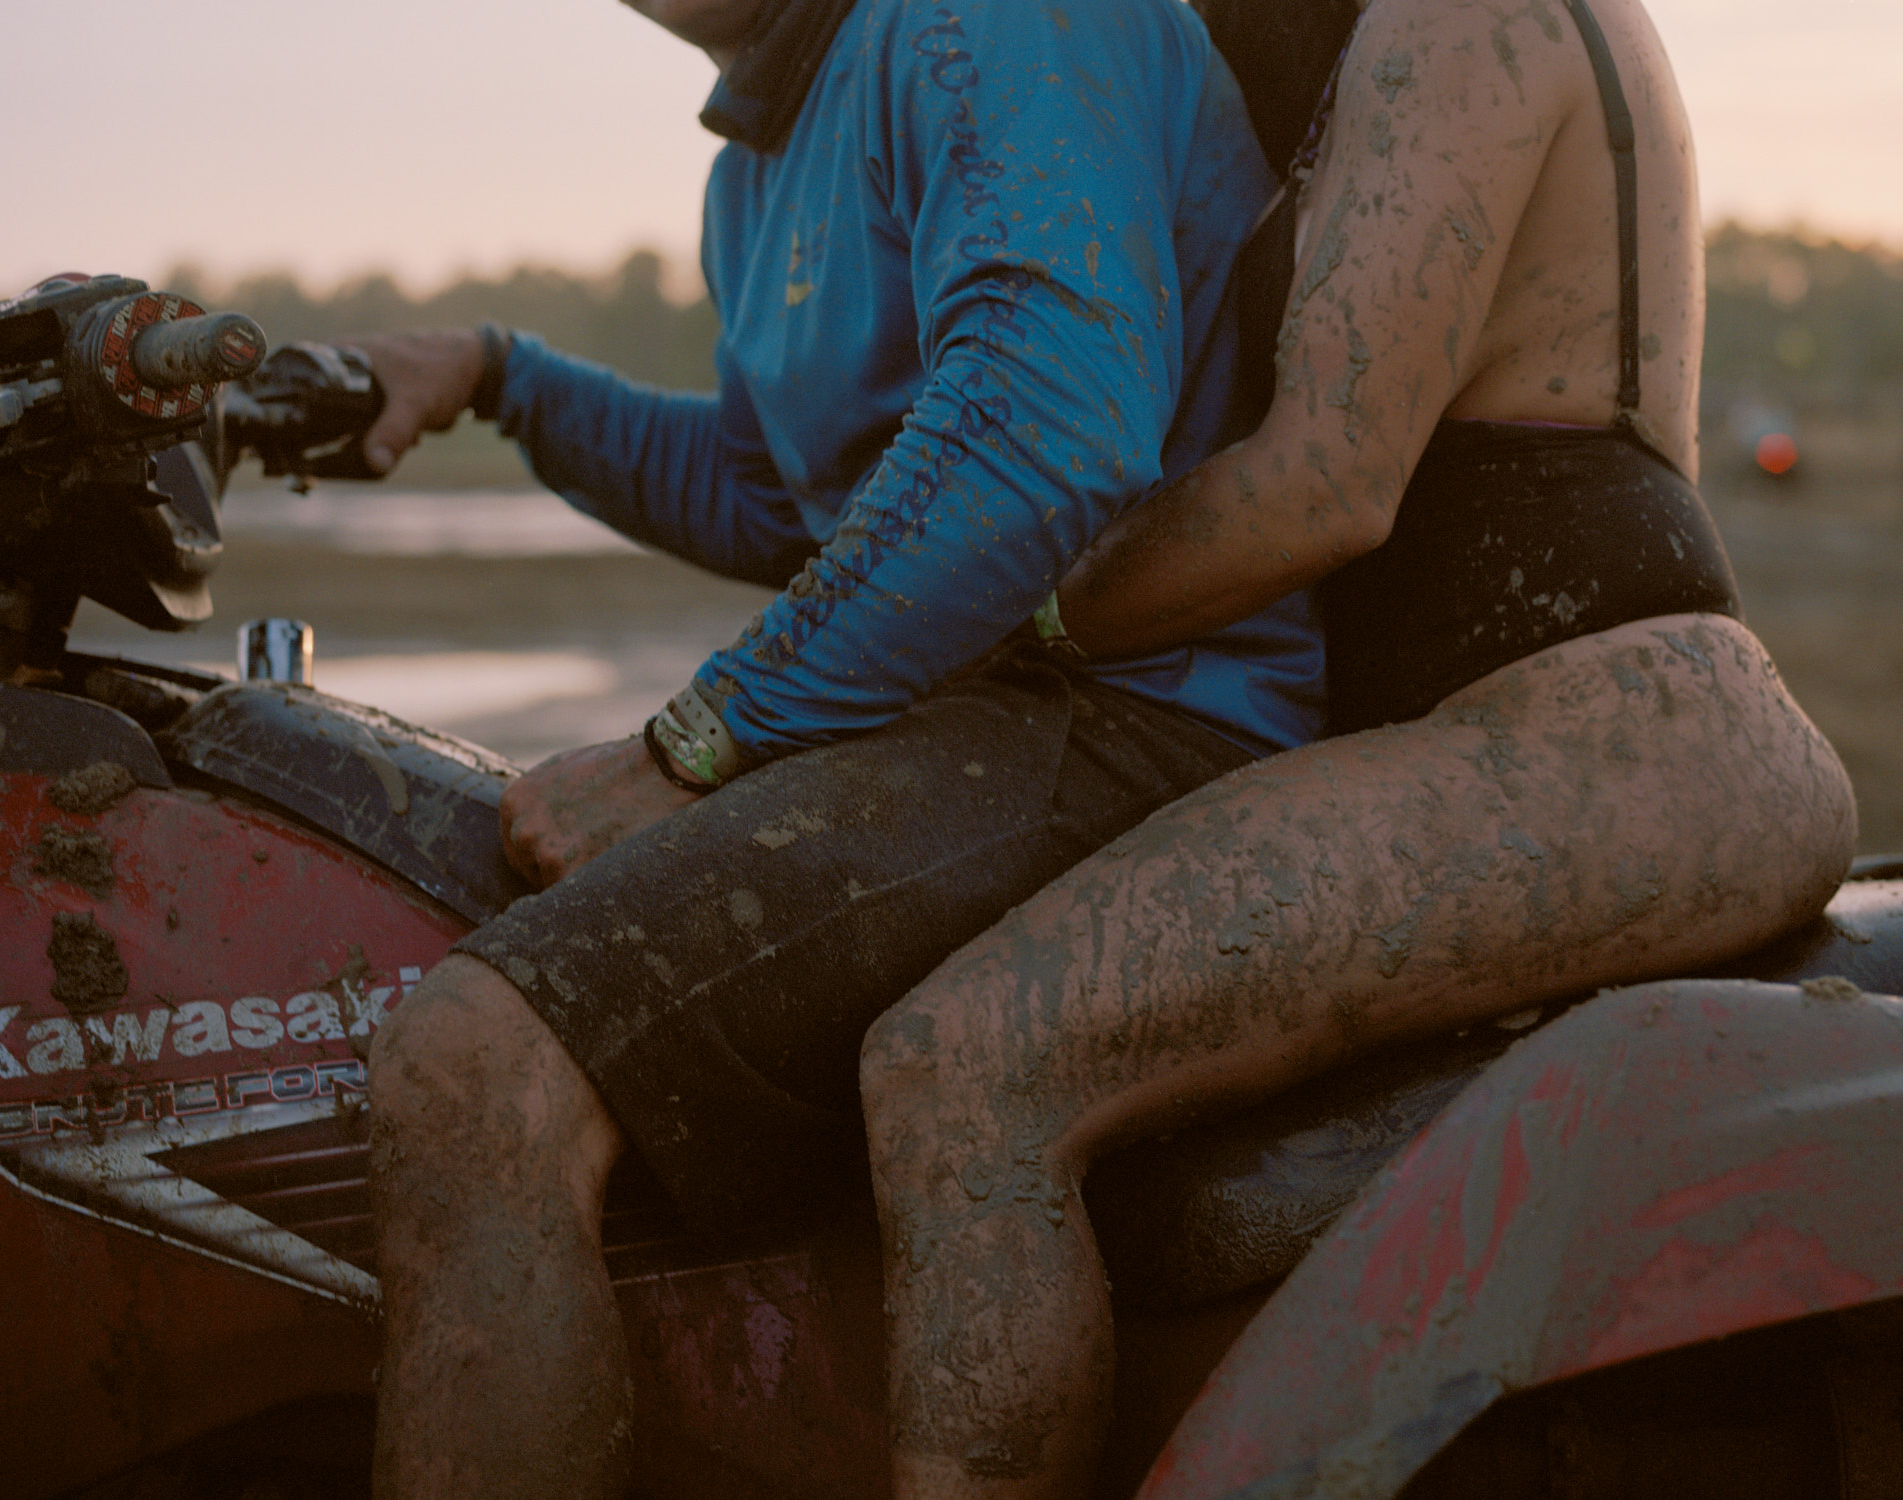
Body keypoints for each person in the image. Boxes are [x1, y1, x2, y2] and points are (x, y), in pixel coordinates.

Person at [854, 0, 1859, 1495]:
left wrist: (984, 625)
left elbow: (1325, 483)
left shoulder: (1463, 15)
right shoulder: (1359, 53)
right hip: (1549, 729)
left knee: (965, 1069)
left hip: (1605, 742)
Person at [353, 0, 1330, 1494]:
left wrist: (699, 741)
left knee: (474, 1066)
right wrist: (504, 379)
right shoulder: (755, 168)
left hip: (1143, 703)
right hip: (971, 711)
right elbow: (773, 497)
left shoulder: (981, 22)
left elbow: (1049, 420)